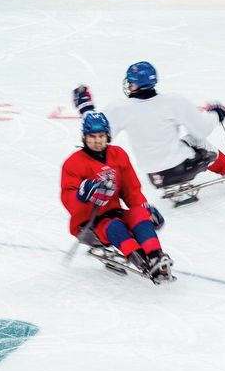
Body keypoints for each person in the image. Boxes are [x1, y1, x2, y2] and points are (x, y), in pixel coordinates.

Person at [72, 61, 225, 193]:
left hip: (155, 177)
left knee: (189, 142)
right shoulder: (174, 102)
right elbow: (200, 130)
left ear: (133, 85)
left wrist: (86, 107)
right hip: (181, 169)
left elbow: (96, 129)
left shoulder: (119, 108)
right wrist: (217, 114)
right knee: (198, 140)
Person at [61, 112, 173, 283]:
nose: (97, 141)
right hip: (88, 224)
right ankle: (143, 262)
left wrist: (145, 208)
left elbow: (132, 190)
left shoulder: (118, 155)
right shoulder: (74, 163)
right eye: (92, 136)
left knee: (140, 215)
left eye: (101, 136)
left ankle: (156, 256)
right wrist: (82, 193)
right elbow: (68, 200)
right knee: (115, 226)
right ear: (84, 137)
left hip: (114, 212)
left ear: (108, 136)